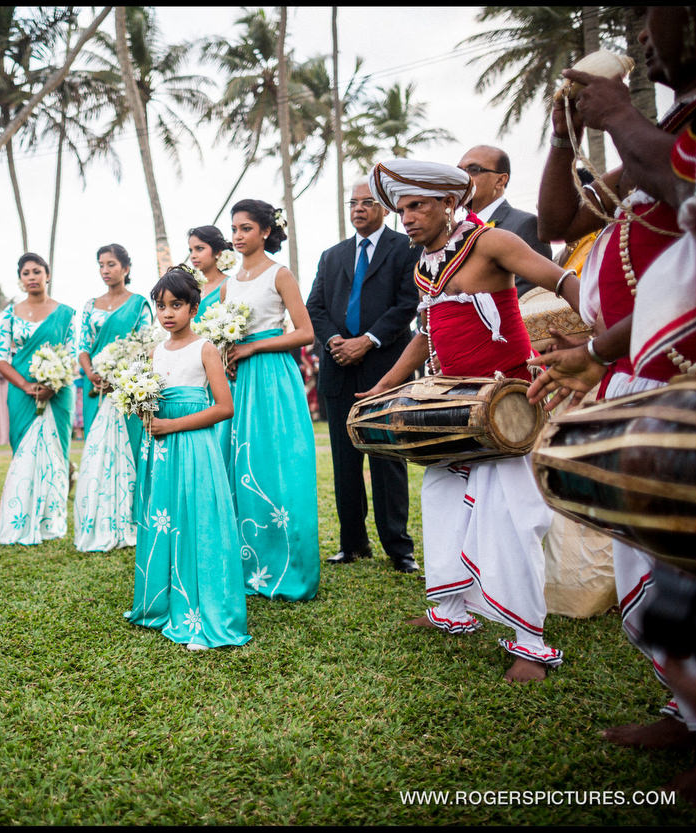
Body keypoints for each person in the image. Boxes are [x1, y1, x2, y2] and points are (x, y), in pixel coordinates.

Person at [527, 5, 696, 751]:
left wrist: (622, 112)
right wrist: (567, 138)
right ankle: (687, 710)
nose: (641, 40)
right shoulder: (657, 141)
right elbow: (559, 221)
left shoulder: (671, 139)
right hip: (636, 375)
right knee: (647, 560)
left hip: (685, 383)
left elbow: (685, 189)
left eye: (649, 21)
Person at [360, 159, 583, 683]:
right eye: (403, 209)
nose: (408, 218)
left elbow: (562, 279)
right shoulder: (425, 265)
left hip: (505, 405)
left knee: (508, 519)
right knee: (443, 508)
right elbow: (425, 334)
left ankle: (530, 644)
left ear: (448, 204)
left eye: (418, 206)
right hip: (452, 408)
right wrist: (388, 384)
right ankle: (451, 611)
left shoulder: (492, 242)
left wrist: (597, 341)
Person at [125, 267, 250, 651]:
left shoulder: (205, 348)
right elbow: (150, 401)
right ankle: (161, 600)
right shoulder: (155, 351)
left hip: (194, 447)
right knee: (165, 517)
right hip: (162, 452)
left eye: (176, 305)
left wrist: (172, 425)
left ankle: (203, 607)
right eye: (160, 306)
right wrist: (141, 408)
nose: (167, 313)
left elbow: (224, 408)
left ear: (194, 307)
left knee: (198, 520)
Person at [305, 182, 420, 573]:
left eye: (367, 202)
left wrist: (367, 341)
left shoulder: (405, 249)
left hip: (386, 367)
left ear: (384, 208)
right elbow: (314, 307)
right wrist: (336, 340)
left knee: (388, 457)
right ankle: (353, 544)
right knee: (344, 460)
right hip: (338, 368)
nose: (358, 208)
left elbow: (408, 303)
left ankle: (398, 548)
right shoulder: (331, 255)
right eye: (352, 202)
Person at [222, 199, 319, 602]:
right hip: (238, 378)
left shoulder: (280, 274)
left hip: (273, 376)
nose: (238, 236)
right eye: (234, 229)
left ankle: (290, 567)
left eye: (246, 228)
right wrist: (228, 352)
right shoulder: (229, 281)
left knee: (277, 463)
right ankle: (250, 561)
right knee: (240, 461)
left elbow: (305, 332)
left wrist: (254, 349)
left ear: (265, 231)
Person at [0, 253, 77, 545]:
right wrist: (26, 385)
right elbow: (1, 358)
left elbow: (72, 354)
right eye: (26, 272)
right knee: (24, 453)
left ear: (47, 275)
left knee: (55, 454)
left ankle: (50, 521)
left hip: (59, 392)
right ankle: (20, 517)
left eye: (37, 271)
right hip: (21, 394)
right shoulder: (10, 314)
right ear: (20, 278)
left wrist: (54, 383)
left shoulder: (66, 313)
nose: (32, 276)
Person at [75, 243, 152, 552]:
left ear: (126, 268)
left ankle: (131, 521)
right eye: (101, 265)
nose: (106, 270)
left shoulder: (139, 304)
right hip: (97, 389)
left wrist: (124, 377)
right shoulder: (90, 305)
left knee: (129, 450)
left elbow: (146, 345)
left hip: (128, 389)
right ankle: (97, 520)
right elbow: (83, 345)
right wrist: (91, 371)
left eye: (111, 264)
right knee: (98, 452)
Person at [458, 144, 553, 297]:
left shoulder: (525, 225)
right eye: (459, 171)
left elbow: (530, 294)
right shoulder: (455, 233)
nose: (463, 177)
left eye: (473, 170)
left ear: (500, 180)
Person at [187, 225, 234, 320]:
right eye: (191, 250)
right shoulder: (188, 287)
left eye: (199, 249)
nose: (193, 256)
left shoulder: (231, 285)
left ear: (217, 252)